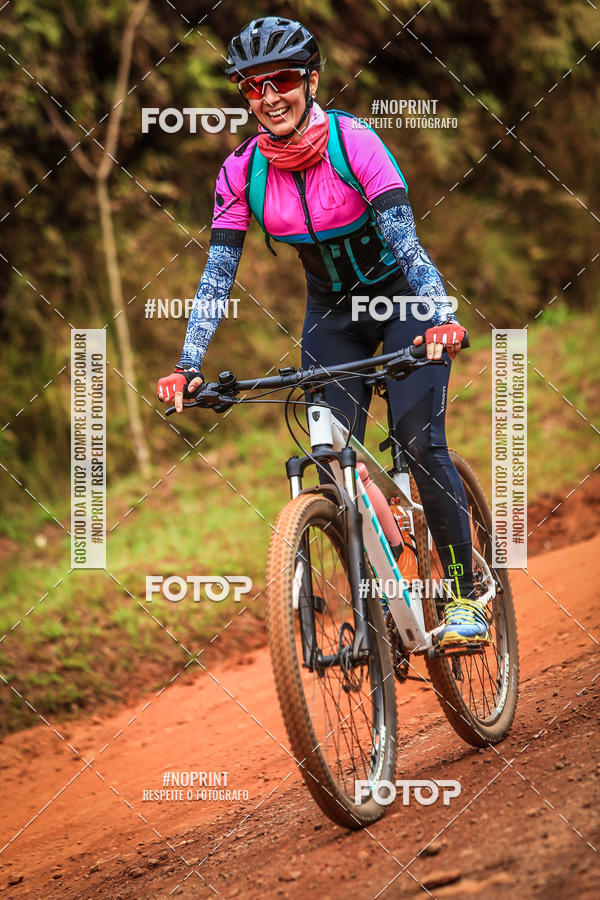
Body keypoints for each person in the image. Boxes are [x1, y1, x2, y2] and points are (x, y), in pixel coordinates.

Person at [157, 17, 490, 647]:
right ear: (244, 96)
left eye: (282, 79)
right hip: (332, 315)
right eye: (254, 87)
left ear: (310, 79)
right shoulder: (241, 171)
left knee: (418, 444)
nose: (270, 97)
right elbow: (218, 272)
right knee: (331, 458)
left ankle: (465, 595)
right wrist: (189, 362)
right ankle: (387, 572)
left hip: (403, 305)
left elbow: (406, 244)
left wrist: (440, 315)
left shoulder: (354, 143)